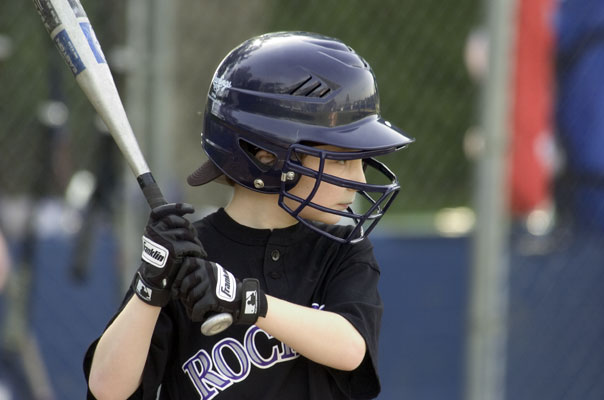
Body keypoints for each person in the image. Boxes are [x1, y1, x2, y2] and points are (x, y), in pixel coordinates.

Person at [84, 31, 413, 400]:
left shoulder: (342, 250)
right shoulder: (189, 255)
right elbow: (107, 389)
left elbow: (350, 349)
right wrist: (152, 285)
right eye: (341, 160)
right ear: (266, 155)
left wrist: (245, 300)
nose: (359, 180)